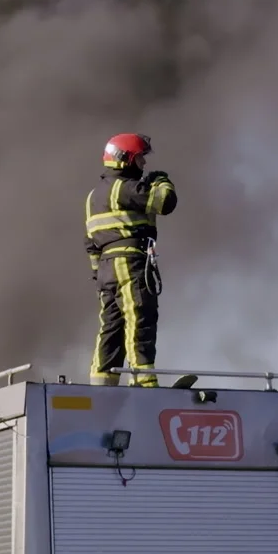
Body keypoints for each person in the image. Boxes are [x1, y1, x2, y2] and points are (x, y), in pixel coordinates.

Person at [84, 133, 177, 387]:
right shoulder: (126, 189)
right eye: (140, 159)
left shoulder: (94, 196)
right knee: (139, 319)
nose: (143, 165)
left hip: (106, 270)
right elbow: (166, 202)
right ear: (124, 160)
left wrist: (100, 280)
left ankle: (102, 384)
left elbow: (90, 243)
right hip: (129, 264)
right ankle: (144, 384)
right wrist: (162, 180)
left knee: (111, 327)